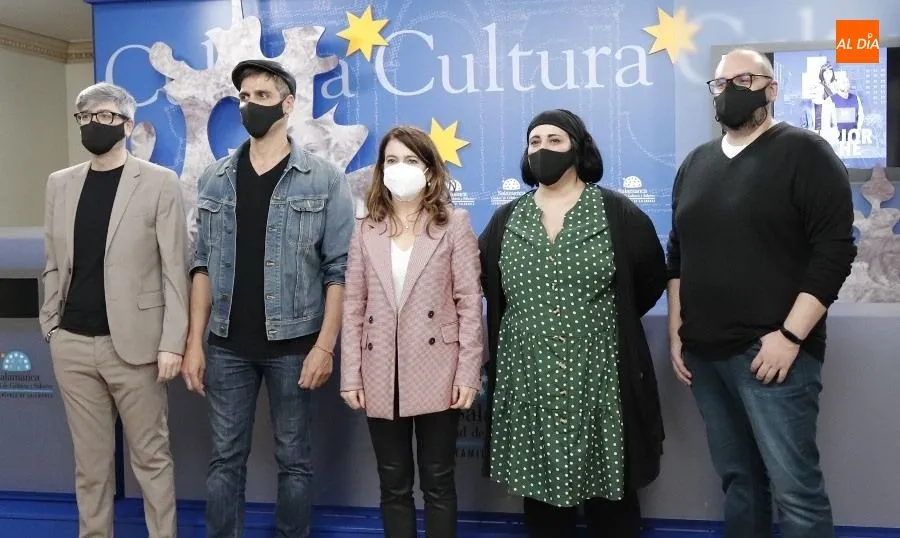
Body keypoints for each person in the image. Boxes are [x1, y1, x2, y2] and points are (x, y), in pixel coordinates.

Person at [667, 49, 856, 538]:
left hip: (773, 354)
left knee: (796, 492)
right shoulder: (695, 164)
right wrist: (676, 332)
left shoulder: (806, 152)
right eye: (721, 82)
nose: (730, 89)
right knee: (740, 483)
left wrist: (790, 337)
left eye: (744, 79)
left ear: (772, 89)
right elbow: (677, 255)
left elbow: (833, 252)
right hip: (706, 356)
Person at [181, 59, 355, 537]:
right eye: (244, 96)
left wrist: (325, 346)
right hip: (227, 346)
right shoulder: (215, 179)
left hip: (295, 344)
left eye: (261, 96)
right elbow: (202, 265)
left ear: (288, 104)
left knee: (294, 461)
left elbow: (339, 271)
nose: (250, 104)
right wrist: (194, 342)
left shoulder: (323, 179)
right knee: (224, 461)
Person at [479, 109, 667, 538]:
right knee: (542, 504)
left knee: (611, 502)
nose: (543, 149)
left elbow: (650, 280)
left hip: (600, 378)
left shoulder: (617, 214)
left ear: (578, 149)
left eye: (555, 141)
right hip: (528, 379)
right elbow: (490, 287)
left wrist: (594, 325)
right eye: (535, 142)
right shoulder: (506, 220)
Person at [39, 82, 189, 538]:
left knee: (151, 459)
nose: (92, 124)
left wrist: (172, 343)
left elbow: (174, 268)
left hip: (137, 346)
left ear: (126, 123)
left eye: (102, 116)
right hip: (73, 344)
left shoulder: (159, 182)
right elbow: (53, 261)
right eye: (84, 117)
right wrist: (52, 326)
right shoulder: (60, 184)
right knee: (91, 465)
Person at [340, 125, 484, 538]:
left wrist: (467, 373)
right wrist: (351, 374)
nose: (399, 168)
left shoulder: (454, 223)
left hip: (438, 368)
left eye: (410, 160)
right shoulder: (365, 228)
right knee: (393, 483)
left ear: (430, 170)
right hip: (380, 369)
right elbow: (353, 306)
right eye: (391, 160)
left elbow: (469, 302)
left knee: (438, 481)